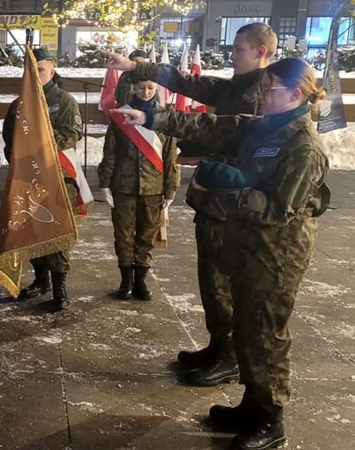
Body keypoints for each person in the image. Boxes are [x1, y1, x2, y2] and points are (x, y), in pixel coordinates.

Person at [111, 57, 330, 450]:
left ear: (295, 95)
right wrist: (152, 117)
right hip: (248, 243)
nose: (261, 95)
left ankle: (270, 418)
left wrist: (230, 187)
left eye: (269, 89)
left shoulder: (304, 145)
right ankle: (251, 403)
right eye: (262, 87)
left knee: (266, 333)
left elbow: (279, 209)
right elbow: (211, 126)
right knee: (246, 325)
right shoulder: (266, 127)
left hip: (277, 254)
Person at [100, 22, 276, 386]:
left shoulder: (265, 94)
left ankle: (230, 356)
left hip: (237, 205)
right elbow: (189, 84)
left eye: (239, 48)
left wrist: (210, 156)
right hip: (216, 199)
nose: (232, 54)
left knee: (226, 281)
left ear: (261, 52)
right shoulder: (238, 87)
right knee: (211, 280)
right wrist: (136, 68)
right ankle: (218, 345)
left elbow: (237, 138)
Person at [3, 47, 85, 311]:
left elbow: (71, 133)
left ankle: (60, 285)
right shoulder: (19, 104)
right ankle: (41, 279)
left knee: (57, 232)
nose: (36, 75)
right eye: (31, 71)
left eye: (40, 70)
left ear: (52, 70)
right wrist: (20, 159)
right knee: (32, 230)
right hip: (29, 179)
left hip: (57, 177)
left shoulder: (64, 100)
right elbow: (8, 138)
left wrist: (37, 149)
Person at [98, 77, 179, 301]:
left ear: (156, 89)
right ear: (134, 87)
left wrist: (171, 188)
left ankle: (141, 280)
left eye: (150, 87)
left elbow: (171, 156)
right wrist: (105, 183)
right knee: (123, 235)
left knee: (146, 235)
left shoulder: (166, 118)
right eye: (141, 87)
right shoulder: (120, 116)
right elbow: (110, 152)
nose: (145, 91)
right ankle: (126, 281)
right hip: (123, 186)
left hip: (154, 187)